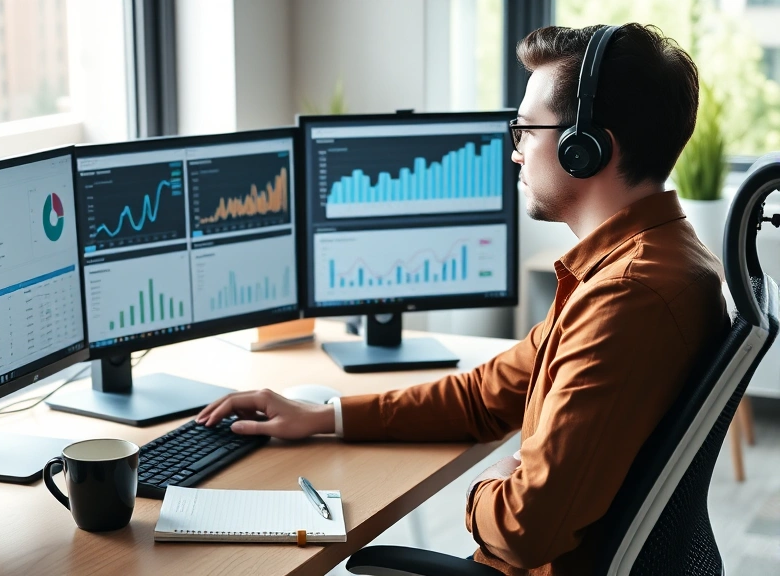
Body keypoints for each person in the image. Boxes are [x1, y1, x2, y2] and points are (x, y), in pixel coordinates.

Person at [197, 23, 731, 576]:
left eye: (524, 129)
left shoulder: (627, 296)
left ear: (586, 147)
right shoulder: (645, 261)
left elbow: (527, 528)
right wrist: (324, 417)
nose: (516, 151)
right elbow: (487, 393)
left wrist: (485, 483)